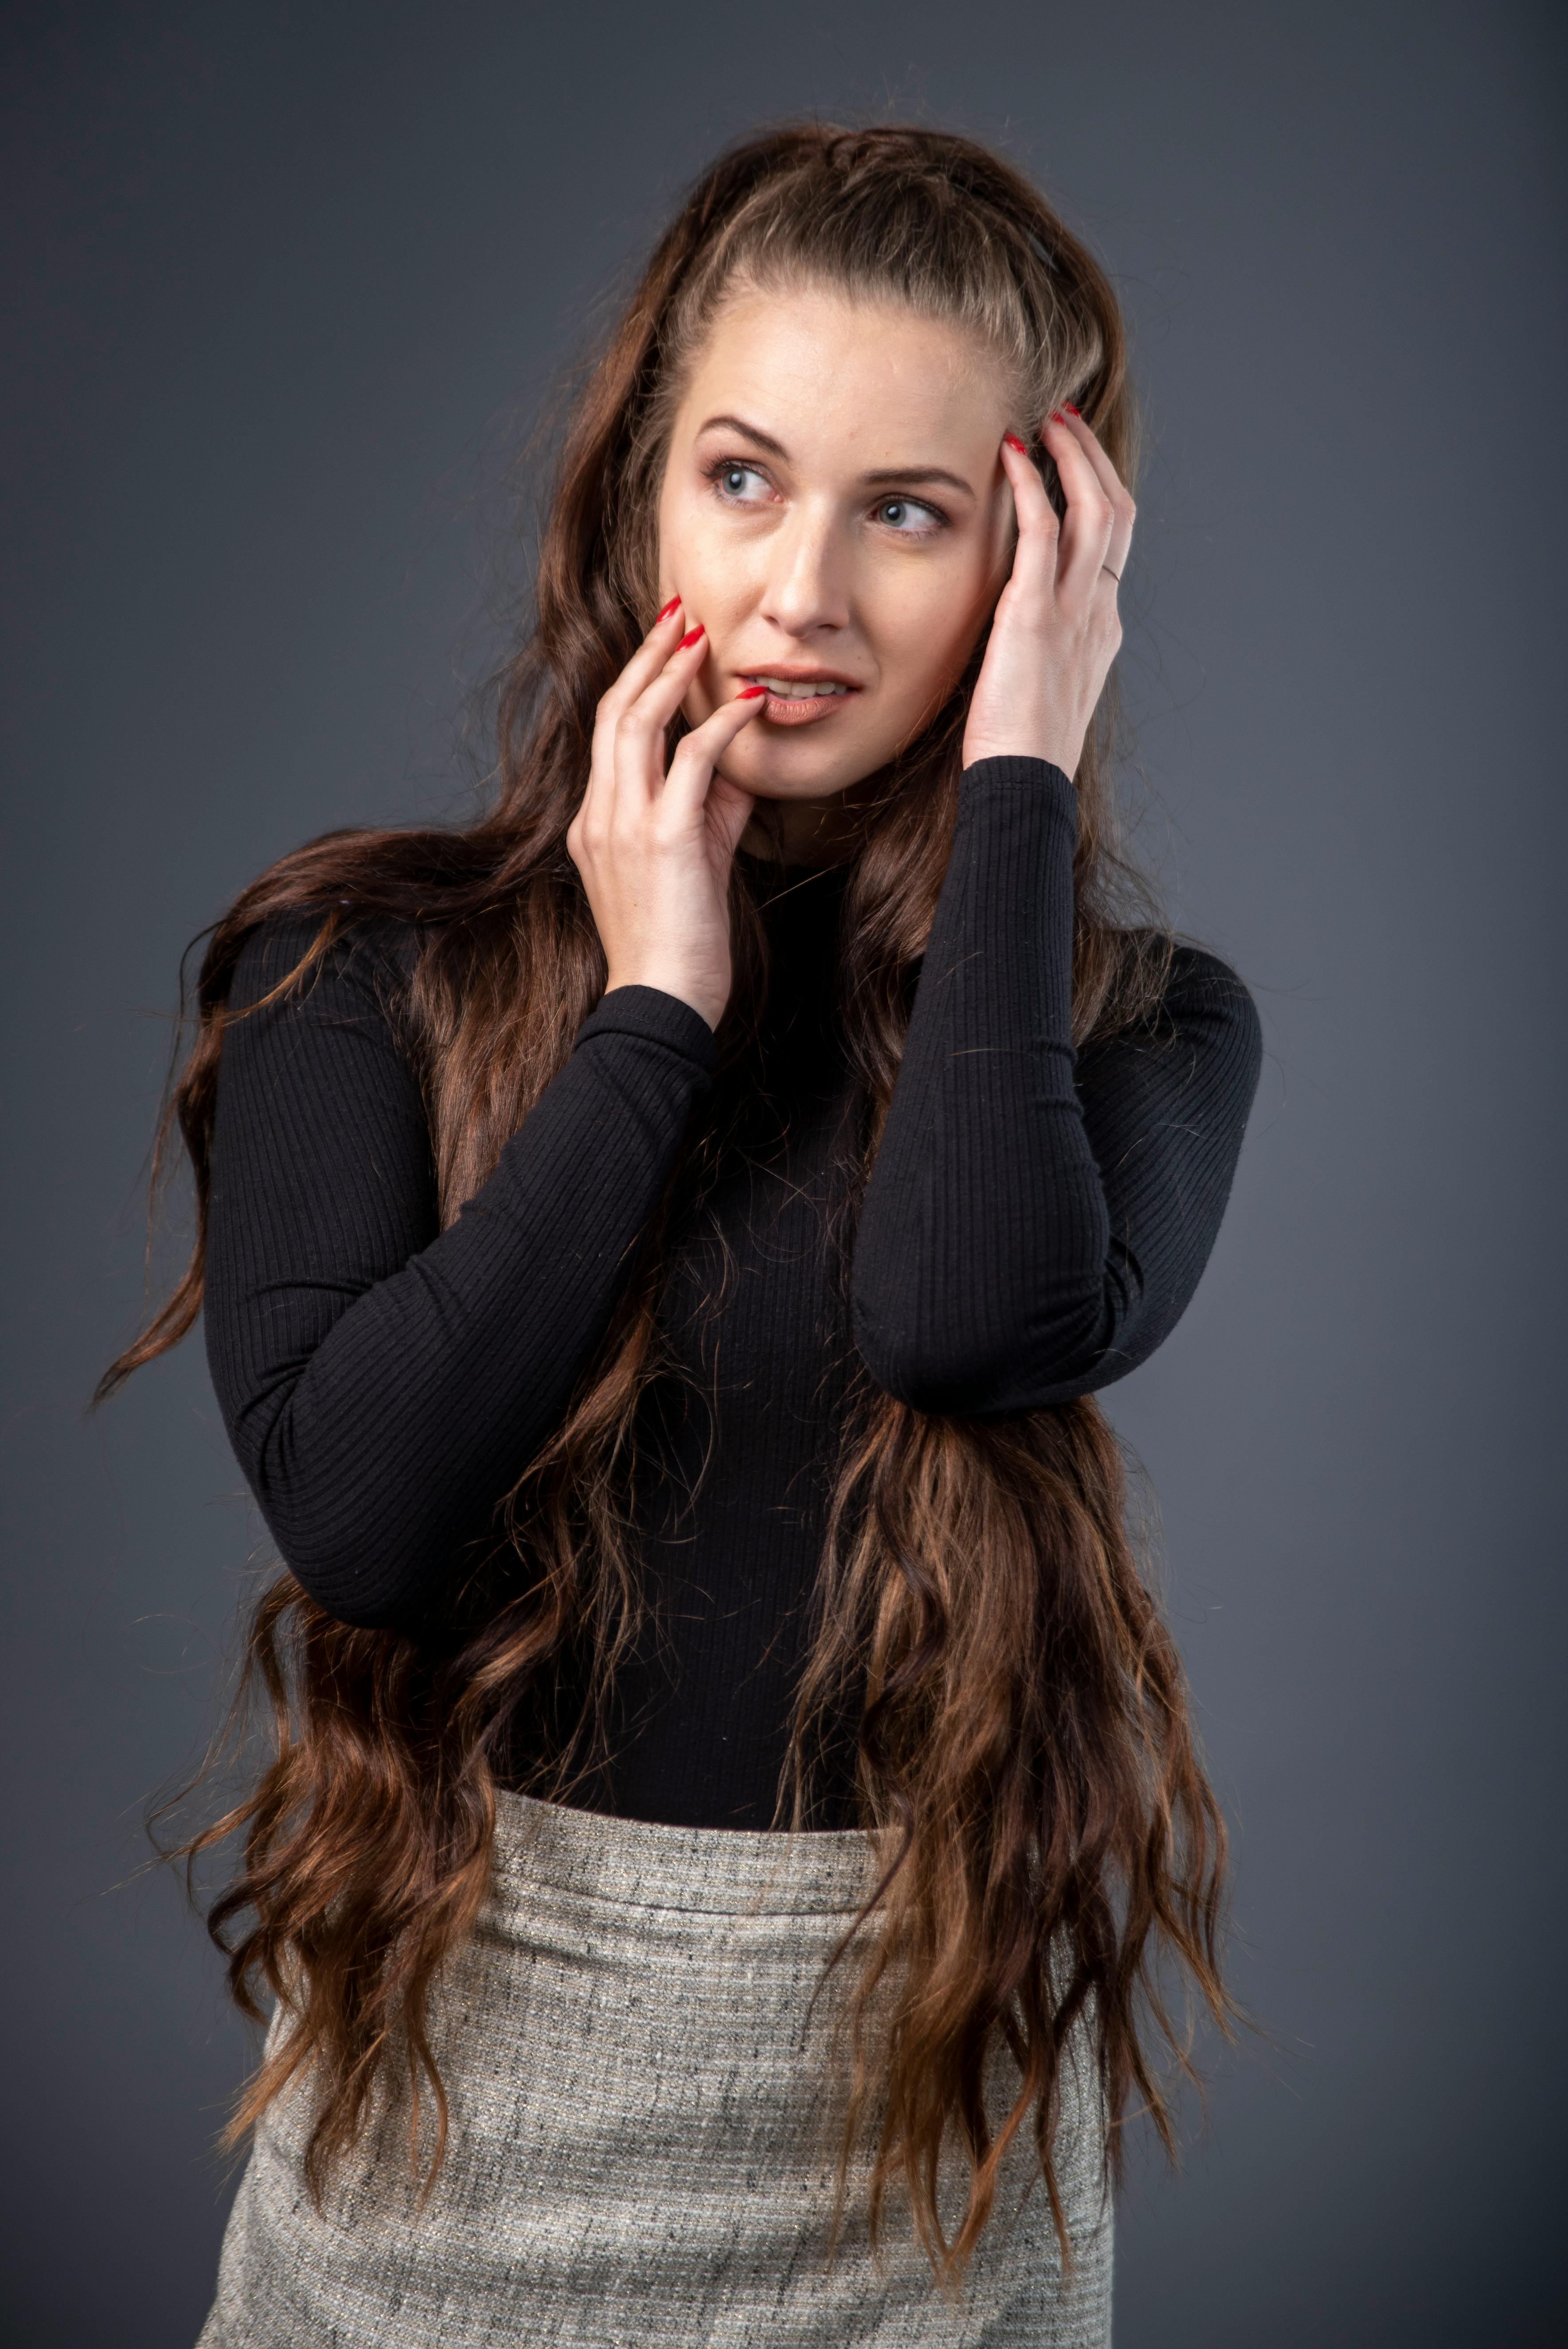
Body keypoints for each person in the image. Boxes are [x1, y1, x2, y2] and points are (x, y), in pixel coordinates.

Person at [102, 122, 1263, 2347]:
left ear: (1037, 560)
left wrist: (1022, 766)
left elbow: (962, 1315)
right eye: (743, 477)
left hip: (915, 2149)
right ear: (643, 488)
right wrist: (652, 1014)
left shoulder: (1139, 1024)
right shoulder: (354, 967)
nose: (803, 592)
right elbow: (362, 1511)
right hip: (456, 2104)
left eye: (909, 514)